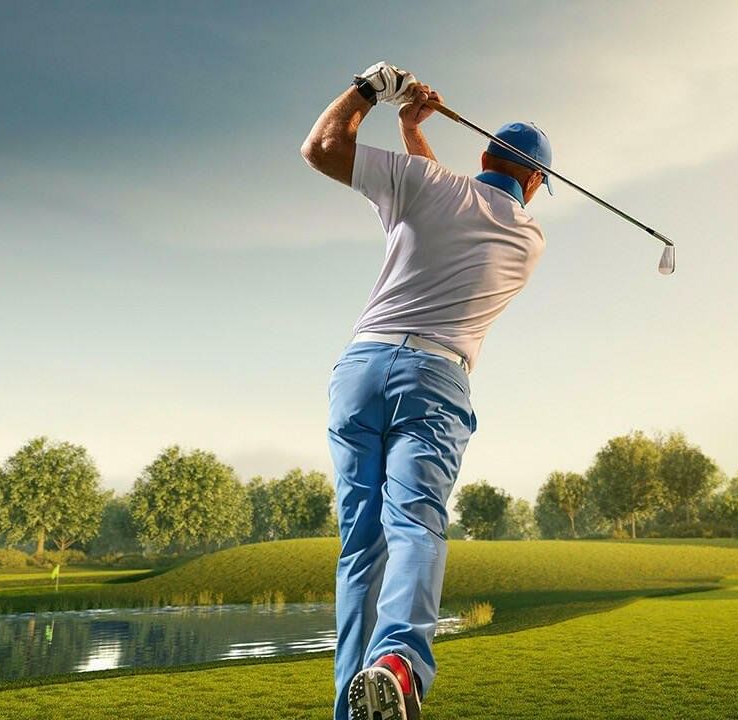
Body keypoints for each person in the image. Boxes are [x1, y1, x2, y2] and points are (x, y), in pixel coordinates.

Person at [300, 61, 552, 720]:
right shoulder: (528, 239)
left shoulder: (426, 183)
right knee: (414, 526)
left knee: (361, 549)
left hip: (358, 370)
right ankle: (400, 666)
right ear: (534, 181)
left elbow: (323, 147)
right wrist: (416, 134)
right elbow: (462, 201)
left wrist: (374, 96)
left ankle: (352, 709)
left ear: (484, 155)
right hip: (433, 379)